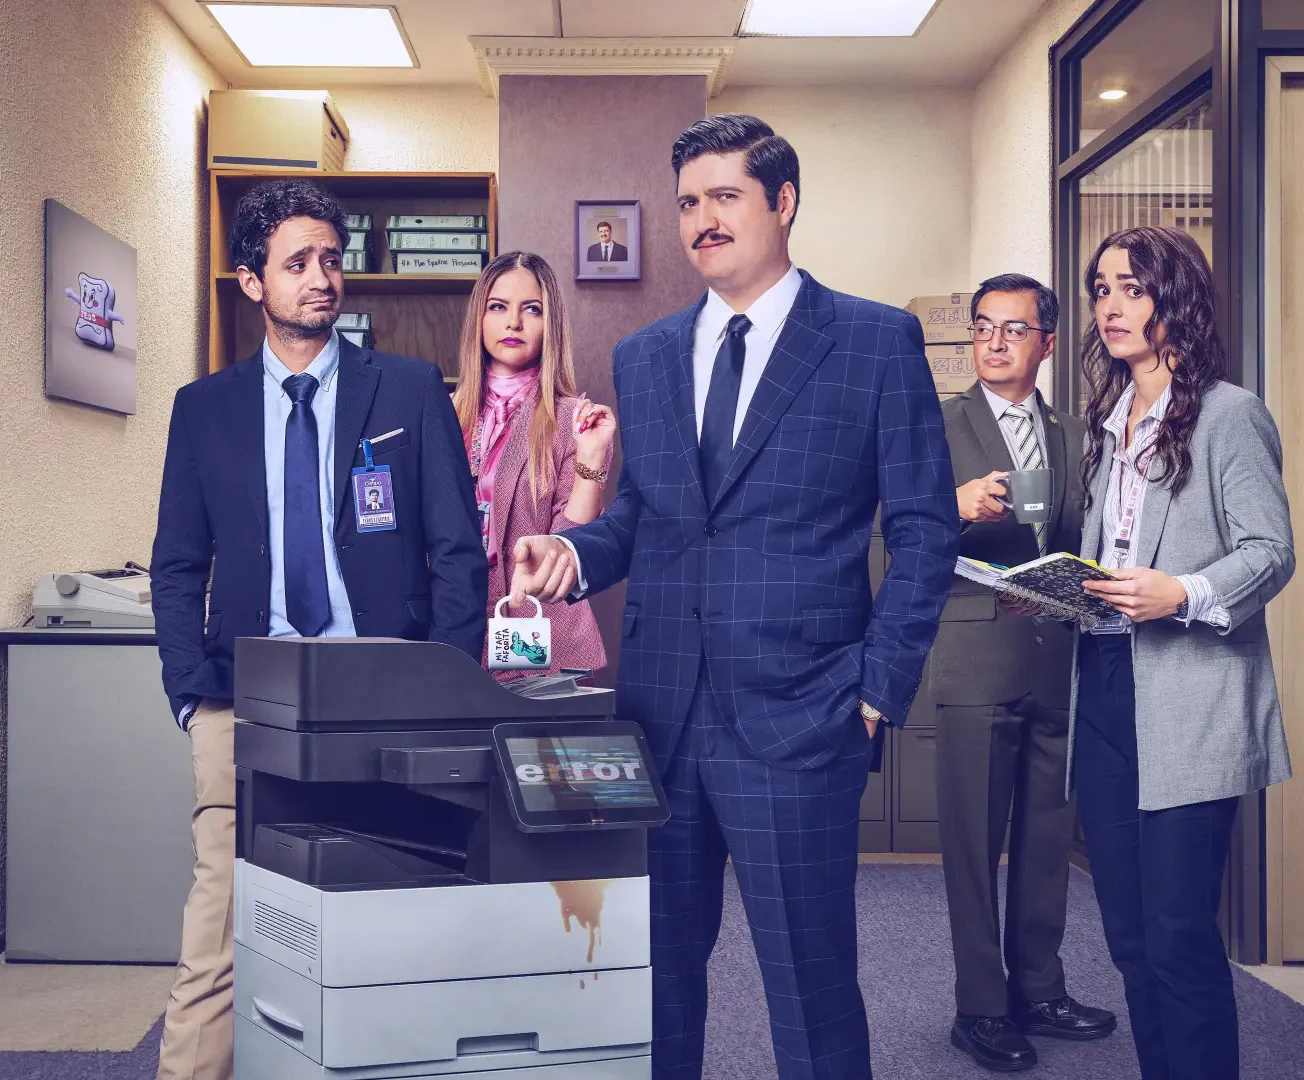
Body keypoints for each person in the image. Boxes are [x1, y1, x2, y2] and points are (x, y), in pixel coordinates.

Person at [511, 113, 959, 1080]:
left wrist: (877, 688)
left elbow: (926, 531)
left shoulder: (876, 343)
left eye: (725, 197)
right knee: (653, 979)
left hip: (805, 719)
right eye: (687, 203)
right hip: (661, 720)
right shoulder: (646, 354)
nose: (702, 219)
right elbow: (645, 518)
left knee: (811, 983)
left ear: (783, 202)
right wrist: (572, 556)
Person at [149, 178, 487, 1080]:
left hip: (382, 692)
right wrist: (191, 698)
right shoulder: (204, 409)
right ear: (251, 279)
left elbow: (460, 552)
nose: (321, 279)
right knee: (215, 942)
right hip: (243, 699)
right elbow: (178, 569)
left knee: (390, 926)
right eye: (297, 262)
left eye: (331, 260)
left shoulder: (409, 391)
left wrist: (444, 689)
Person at [1071, 225, 1293, 1080]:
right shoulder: (1109, 415)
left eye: (1132, 286)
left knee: (1176, 936)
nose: (1112, 305)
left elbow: (1271, 551)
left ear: (1178, 298)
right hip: (1105, 684)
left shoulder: (1231, 414)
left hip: (1191, 698)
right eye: (1101, 289)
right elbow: (1112, 550)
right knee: (1127, 937)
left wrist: (1183, 592)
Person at [931, 274, 1113, 1072]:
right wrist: (952, 503)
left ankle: (1039, 989)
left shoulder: (1079, 435)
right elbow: (880, 527)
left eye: (1014, 329)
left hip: (1059, 654)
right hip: (974, 659)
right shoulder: (937, 427)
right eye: (983, 328)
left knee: (1045, 839)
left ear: (1046, 343)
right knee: (974, 844)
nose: (996, 342)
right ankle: (980, 1008)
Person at [453, 250, 616, 680]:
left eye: (532, 309)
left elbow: (570, 545)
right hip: (454, 620)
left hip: (529, 617)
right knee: (453, 741)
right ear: (479, 319)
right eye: (498, 307)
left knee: (522, 732)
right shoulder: (444, 413)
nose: (513, 323)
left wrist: (592, 458)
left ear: (551, 324)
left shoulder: (575, 419)